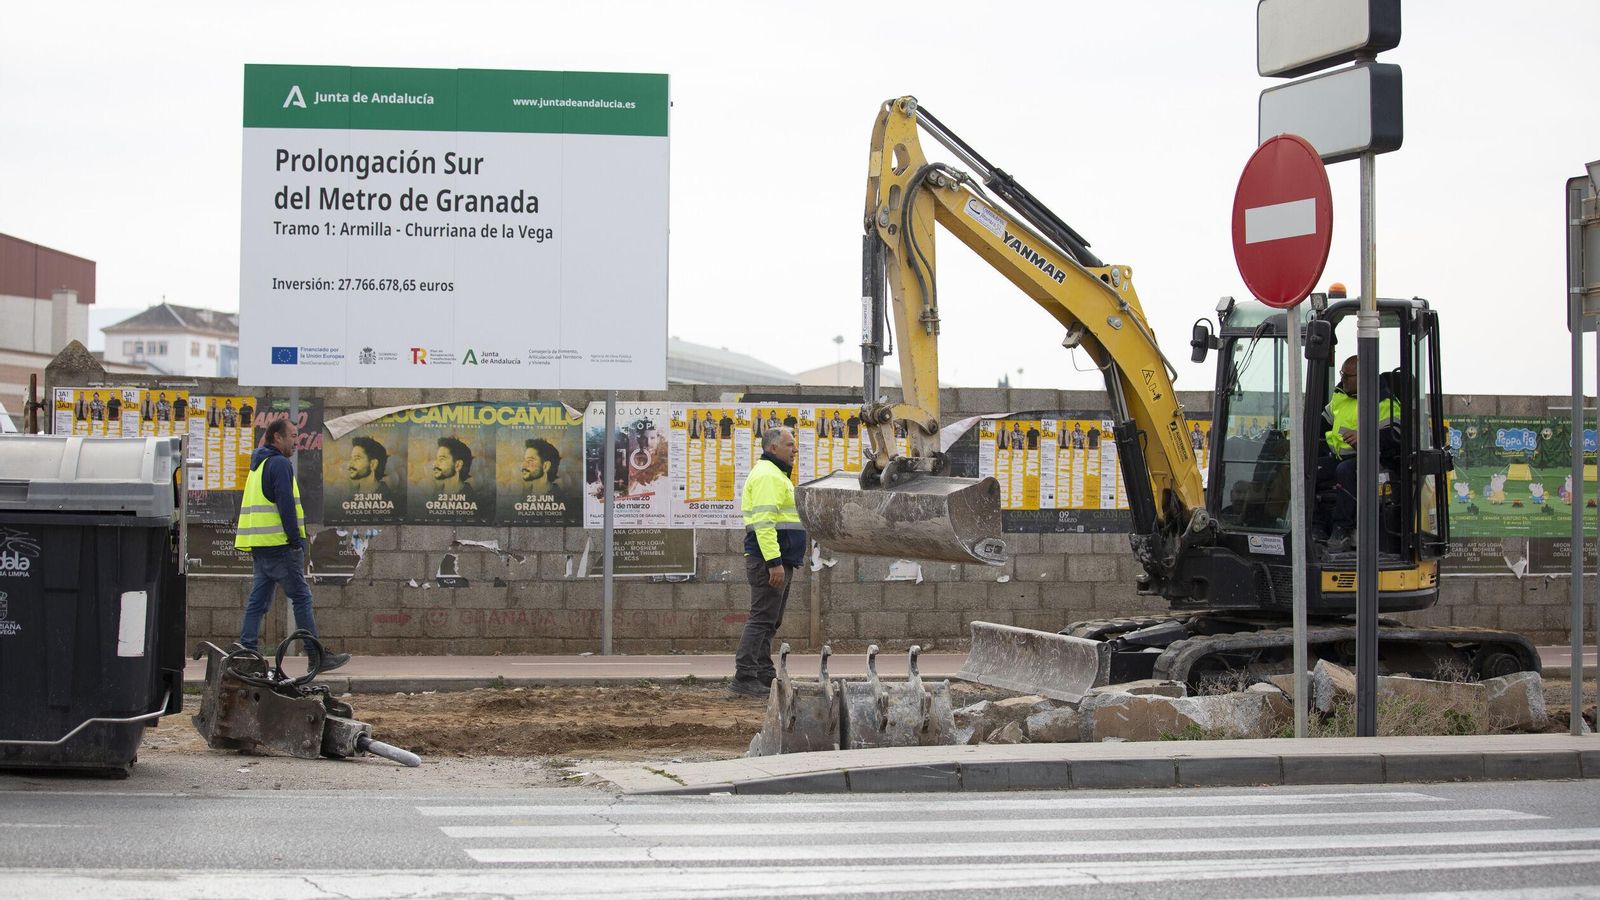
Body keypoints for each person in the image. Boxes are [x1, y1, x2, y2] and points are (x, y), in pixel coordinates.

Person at [234, 419, 349, 669]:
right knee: (301, 598)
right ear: (277, 437)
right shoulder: (279, 464)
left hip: (260, 546)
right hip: (281, 546)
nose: (296, 442)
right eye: (293, 436)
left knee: (258, 602)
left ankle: (246, 653)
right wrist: (296, 541)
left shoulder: (258, 465)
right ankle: (315, 656)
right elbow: (285, 503)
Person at [732, 426, 806, 698]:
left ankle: (763, 672)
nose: (795, 449)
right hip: (770, 561)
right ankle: (745, 676)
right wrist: (774, 562)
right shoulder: (768, 476)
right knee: (762, 618)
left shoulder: (776, 474)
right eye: (789, 444)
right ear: (773, 448)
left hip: (780, 559)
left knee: (771, 620)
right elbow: (764, 523)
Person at [1321, 355, 1400, 551]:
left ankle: (1342, 529)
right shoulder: (1340, 397)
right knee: (1309, 468)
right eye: (1342, 374)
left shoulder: (1384, 402)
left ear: (1364, 376)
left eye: (1347, 376)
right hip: (1340, 458)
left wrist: (1365, 436)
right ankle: (1314, 528)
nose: (1343, 380)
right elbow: (1320, 424)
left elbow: (1395, 435)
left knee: (1345, 470)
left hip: (1375, 460)